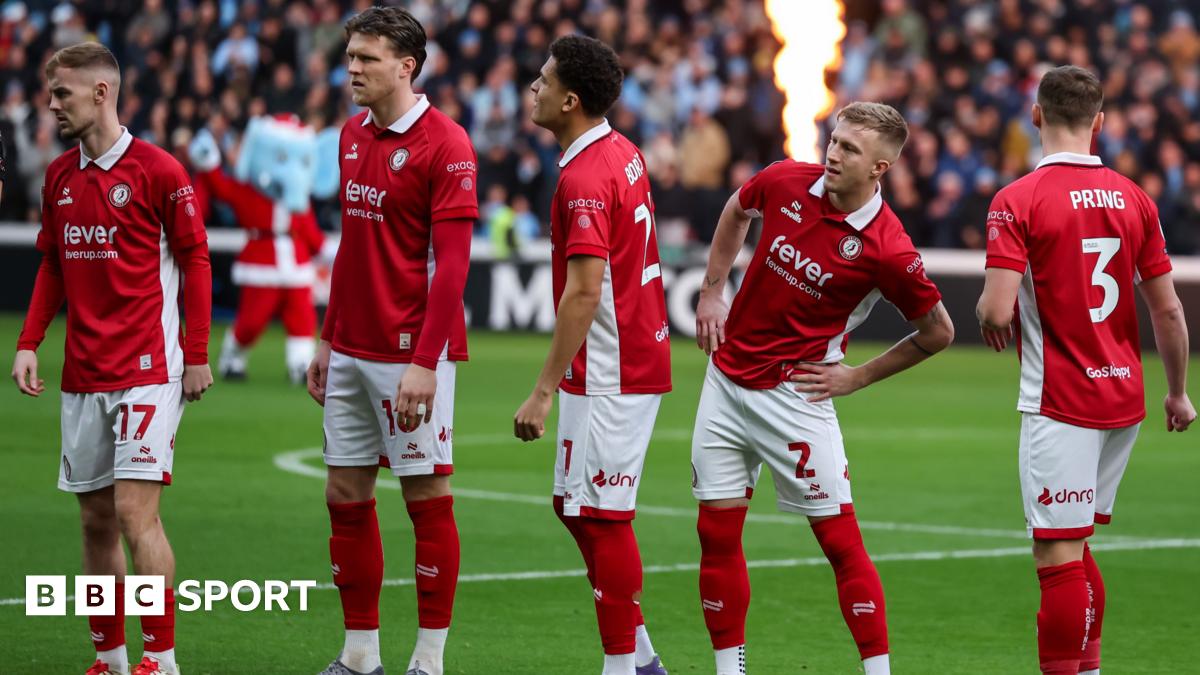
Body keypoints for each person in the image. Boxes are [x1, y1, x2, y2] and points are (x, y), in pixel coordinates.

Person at [691, 102, 954, 675]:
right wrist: (713, 291)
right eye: (834, 141)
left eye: (850, 149)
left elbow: (938, 331)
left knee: (840, 543)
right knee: (715, 534)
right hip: (725, 383)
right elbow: (736, 210)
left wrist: (858, 376)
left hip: (796, 398)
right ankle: (730, 670)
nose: (833, 154)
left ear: (879, 168)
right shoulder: (786, 180)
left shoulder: (888, 248)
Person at [976, 65, 1195, 675]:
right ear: (1099, 122)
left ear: (1036, 115)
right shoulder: (1135, 199)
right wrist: (1177, 393)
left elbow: (995, 309)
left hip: (1061, 401)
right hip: (1123, 399)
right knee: (1075, 543)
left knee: (1056, 558)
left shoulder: (1017, 199)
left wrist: (990, 314)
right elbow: (1168, 310)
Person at [11, 42, 212, 675]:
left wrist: (198, 352)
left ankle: (161, 659)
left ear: (101, 93)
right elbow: (52, 263)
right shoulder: (58, 177)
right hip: (83, 373)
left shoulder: (159, 171)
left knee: (133, 512)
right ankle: (110, 658)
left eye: (61, 93)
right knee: (95, 520)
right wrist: (28, 342)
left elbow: (196, 259)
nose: (51, 105)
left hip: (150, 370)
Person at [304, 7, 477, 675]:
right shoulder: (351, 134)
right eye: (350, 56)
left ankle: (428, 661)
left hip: (411, 353)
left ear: (406, 67)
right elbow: (352, 247)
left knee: (425, 499)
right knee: (343, 496)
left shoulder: (446, 144)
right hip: (351, 347)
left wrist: (425, 362)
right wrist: (327, 337)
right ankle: (359, 656)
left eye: (367, 58)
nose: (352, 68)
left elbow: (452, 266)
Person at [514, 35, 671, 675]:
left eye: (544, 79)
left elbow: (584, 292)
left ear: (570, 101)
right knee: (572, 505)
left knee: (604, 518)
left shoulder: (584, 178)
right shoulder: (620, 150)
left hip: (613, 365)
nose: (534, 87)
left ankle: (621, 666)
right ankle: (643, 658)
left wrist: (542, 390)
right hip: (620, 356)